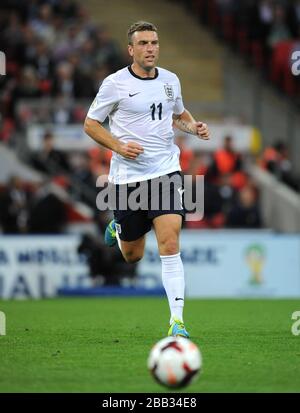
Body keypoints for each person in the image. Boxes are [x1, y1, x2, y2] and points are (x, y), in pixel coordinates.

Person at [84, 21, 210, 338]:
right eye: (143, 43)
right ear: (131, 50)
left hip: (166, 172)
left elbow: (178, 115)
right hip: (127, 180)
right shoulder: (114, 84)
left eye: (154, 42)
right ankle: (118, 225)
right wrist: (118, 146)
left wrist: (194, 128)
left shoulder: (170, 80)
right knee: (132, 255)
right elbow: (90, 124)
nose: (150, 48)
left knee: (170, 242)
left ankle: (177, 321)